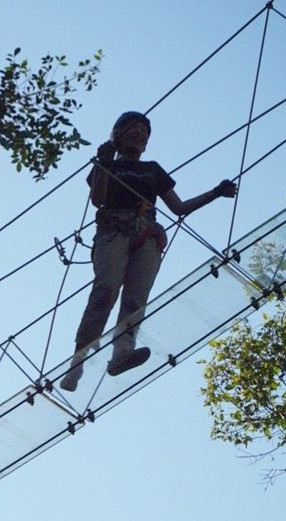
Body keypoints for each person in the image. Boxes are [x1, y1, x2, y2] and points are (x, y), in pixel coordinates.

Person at [59, 111, 237, 392]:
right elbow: (98, 200)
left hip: (147, 233)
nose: (140, 133)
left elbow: (179, 208)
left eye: (144, 130)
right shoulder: (106, 166)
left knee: (136, 297)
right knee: (106, 288)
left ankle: (122, 353)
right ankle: (77, 362)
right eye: (133, 128)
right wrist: (104, 163)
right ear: (117, 135)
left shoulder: (152, 169)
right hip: (113, 230)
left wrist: (215, 192)